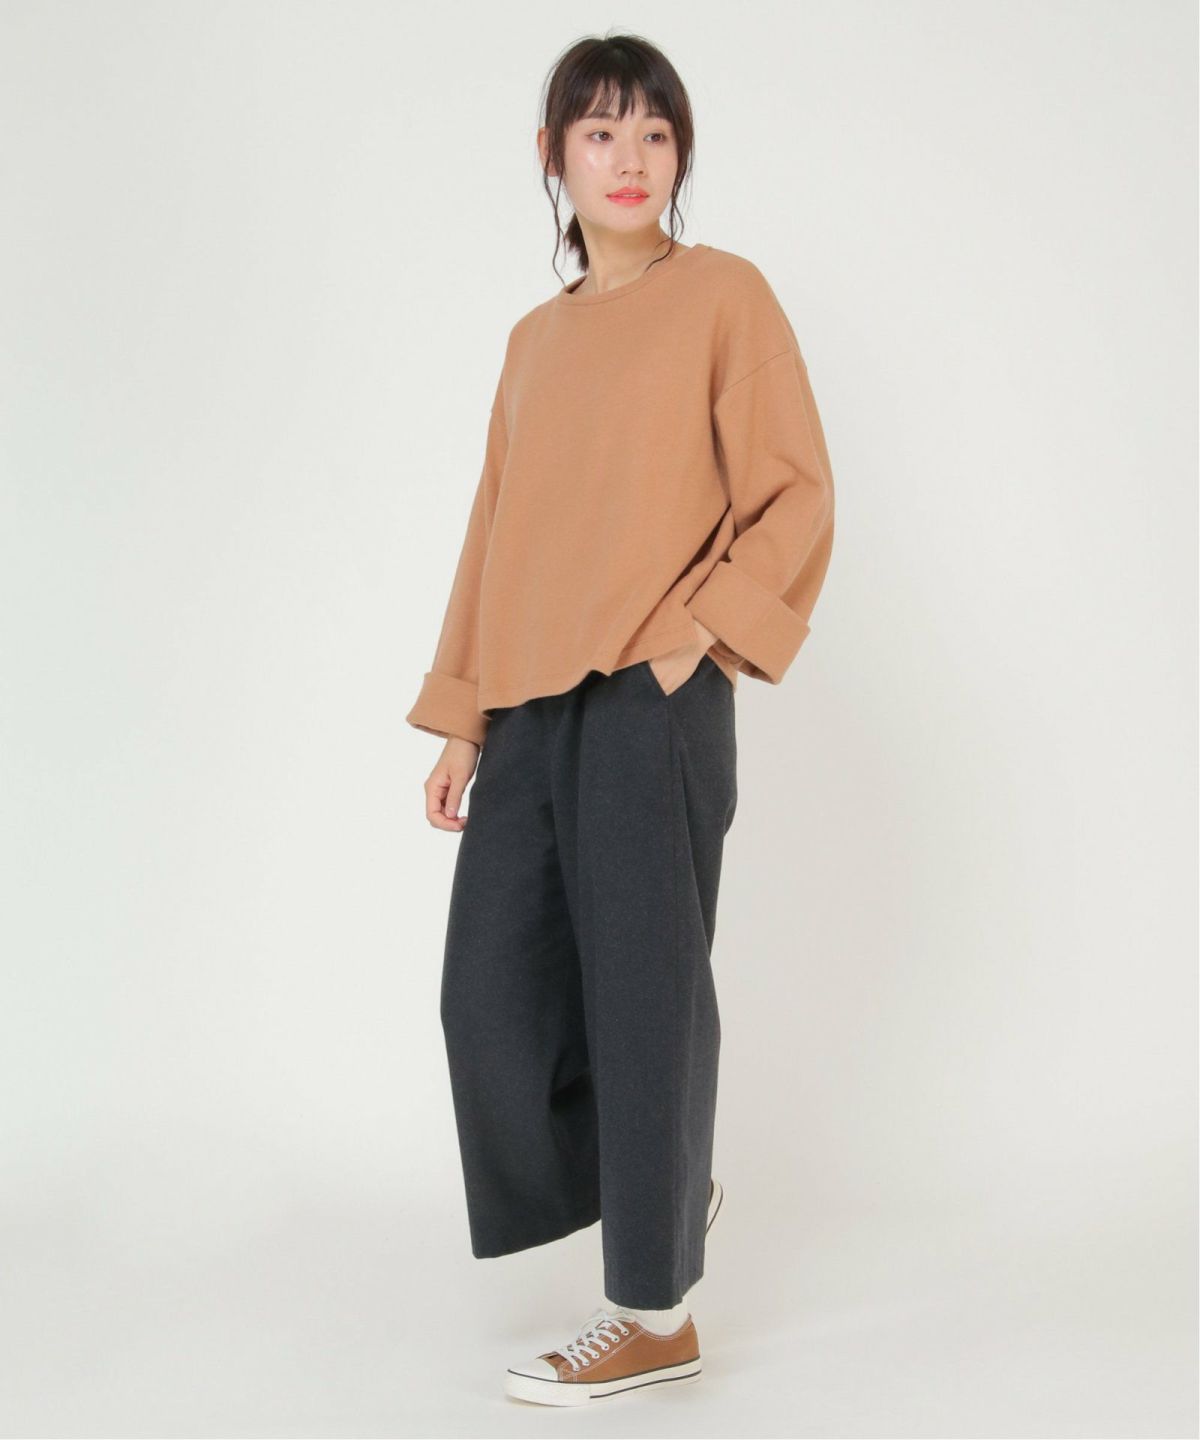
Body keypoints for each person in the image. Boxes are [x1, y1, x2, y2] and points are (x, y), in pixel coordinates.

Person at [405, 32, 836, 1406]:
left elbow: (794, 492)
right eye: (600, 132)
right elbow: (496, 532)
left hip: (652, 700)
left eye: (655, 132)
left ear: (681, 153)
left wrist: (692, 641)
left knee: (645, 1000)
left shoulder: (724, 297)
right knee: (487, 1000)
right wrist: (463, 717)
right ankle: (666, 1182)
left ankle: (653, 1312)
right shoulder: (534, 344)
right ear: (554, 156)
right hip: (530, 705)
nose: (630, 157)